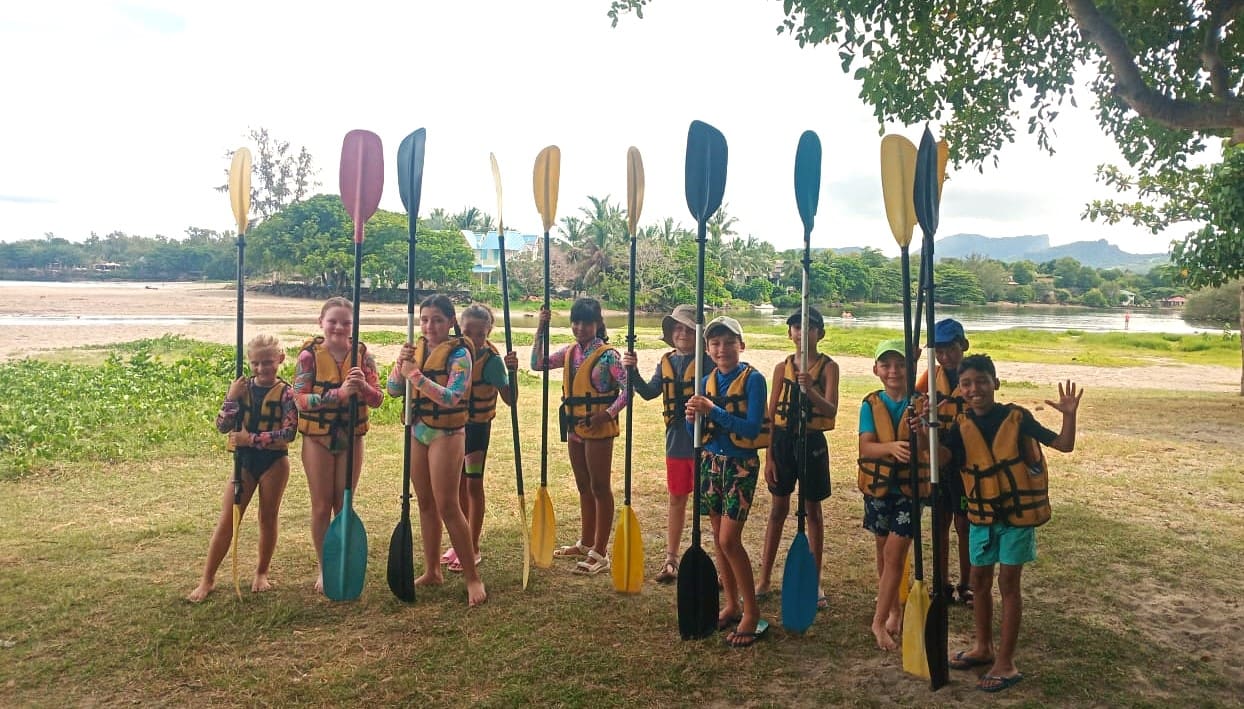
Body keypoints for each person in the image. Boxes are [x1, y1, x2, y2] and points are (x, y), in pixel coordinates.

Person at [916, 354, 1081, 693]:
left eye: (981, 381)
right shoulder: (961, 426)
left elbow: (1064, 445)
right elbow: (941, 459)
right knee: (978, 581)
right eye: (966, 384)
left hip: (1016, 520)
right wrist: (922, 434)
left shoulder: (1017, 418)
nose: (974, 389)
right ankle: (983, 647)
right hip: (981, 518)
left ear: (995, 383)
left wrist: (1069, 417)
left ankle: (1006, 662)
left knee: (1008, 585)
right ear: (960, 391)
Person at [388, 295, 486, 606]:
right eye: (425, 319)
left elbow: (453, 397)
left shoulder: (460, 355)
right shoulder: (414, 349)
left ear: (451, 322)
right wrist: (399, 365)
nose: (430, 326)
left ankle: (473, 578)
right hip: (418, 430)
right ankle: (432, 570)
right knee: (425, 504)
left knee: (448, 506)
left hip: (447, 433)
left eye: (438, 320)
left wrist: (414, 376)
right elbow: (392, 389)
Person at [187, 333, 296, 602]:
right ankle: (207, 579)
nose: (261, 369)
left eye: (268, 362)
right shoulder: (241, 388)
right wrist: (230, 398)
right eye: (256, 363)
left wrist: (253, 439)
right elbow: (222, 426)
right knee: (228, 520)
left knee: (267, 518)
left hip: (274, 463)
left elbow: (290, 433)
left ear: (280, 359)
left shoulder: (287, 393)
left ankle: (261, 572)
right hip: (243, 463)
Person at [685, 316, 770, 648]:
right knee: (719, 541)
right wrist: (693, 415)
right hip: (710, 461)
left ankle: (751, 610)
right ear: (707, 349)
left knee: (730, 539)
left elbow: (751, 429)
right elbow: (698, 425)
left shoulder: (754, 380)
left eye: (728, 342)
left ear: (741, 346)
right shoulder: (705, 380)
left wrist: (713, 410)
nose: (722, 349)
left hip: (740, 465)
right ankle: (732, 602)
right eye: (715, 343)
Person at [532, 297, 628, 575]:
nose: (580, 327)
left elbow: (627, 390)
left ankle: (600, 551)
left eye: (586, 322)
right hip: (574, 427)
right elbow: (537, 363)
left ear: (598, 324)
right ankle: (585, 543)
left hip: (598, 428)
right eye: (575, 322)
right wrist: (541, 327)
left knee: (600, 487)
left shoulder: (610, 355)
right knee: (583, 486)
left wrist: (606, 415)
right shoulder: (570, 352)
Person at [293, 297, 383, 592]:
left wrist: (364, 387)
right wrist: (340, 394)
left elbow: (378, 398)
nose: (339, 327)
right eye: (333, 321)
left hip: (351, 437)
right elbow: (300, 400)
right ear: (322, 322)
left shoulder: (362, 357)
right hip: (317, 439)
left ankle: (343, 561)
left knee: (343, 504)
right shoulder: (308, 356)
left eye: (346, 322)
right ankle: (325, 567)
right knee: (321, 505)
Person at [622, 304, 712, 584]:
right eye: (677, 328)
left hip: (706, 441)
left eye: (688, 328)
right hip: (676, 440)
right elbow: (649, 393)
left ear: (699, 334)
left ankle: (719, 564)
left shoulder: (710, 362)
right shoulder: (666, 361)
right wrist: (633, 371)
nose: (682, 332)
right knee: (676, 498)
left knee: (711, 503)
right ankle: (671, 558)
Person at [756, 307, 839, 609]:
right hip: (783, 443)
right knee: (778, 509)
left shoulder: (829, 367)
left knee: (812, 511)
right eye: (797, 327)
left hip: (812, 442)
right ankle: (764, 578)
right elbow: (771, 413)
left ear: (820, 333)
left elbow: (830, 410)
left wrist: (809, 390)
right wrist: (769, 457)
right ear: (790, 333)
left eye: (810, 327)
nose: (803, 332)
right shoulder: (782, 367)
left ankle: (815, 581)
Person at [857, 339, 934, 651]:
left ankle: (878, 620)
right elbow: (866, 446)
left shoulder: (922, 403)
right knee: (884, 552)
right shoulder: (870, 403)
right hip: (879, 488)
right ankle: (893, 609)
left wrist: (923, 427)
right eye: (886, 365)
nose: (893, 371)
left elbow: (931, 448)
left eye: (900, 364)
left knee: (895, 553)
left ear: (910, 367)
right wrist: (889, 448)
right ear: (876, 369)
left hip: (909, 490)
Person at [439, 304, 517, 574]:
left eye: (480, 334)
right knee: (457, 486)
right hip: (453, 428)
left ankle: (472, 547)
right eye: (467, 331)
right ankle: (459, 543)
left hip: (477, 430)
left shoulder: (492, 360)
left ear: (488, 333)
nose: (473, 338)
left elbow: (510, 399)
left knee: (472, 485)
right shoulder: (453, 352)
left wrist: (512, 372)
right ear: (458, 328)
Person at [915, 318, 973, 607]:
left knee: (965, 524)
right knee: (940, 522)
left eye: (950, 348)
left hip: (966, 460)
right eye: (939, 350)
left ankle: (967, 583)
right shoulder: (931, 375)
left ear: (963, 345)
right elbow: (915, 400)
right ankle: (942, 582)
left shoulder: (973, 374)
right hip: (939, 459)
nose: (945, 356)